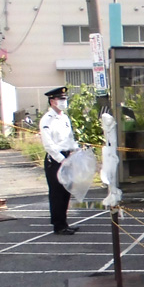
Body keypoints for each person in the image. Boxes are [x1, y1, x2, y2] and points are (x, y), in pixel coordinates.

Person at [40, 86, 79, 235]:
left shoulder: (64, 118)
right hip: (55, 160)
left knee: (65, 192)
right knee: (57, 193)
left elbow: (69, 138)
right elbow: (48, 144)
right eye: (60, 99)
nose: (64, 101)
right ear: (52, 101)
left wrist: (75, 150)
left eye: (65, 99)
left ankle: (64, 222)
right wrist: (62, 160)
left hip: (67, 156)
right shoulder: (47, 120)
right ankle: (58, 225)